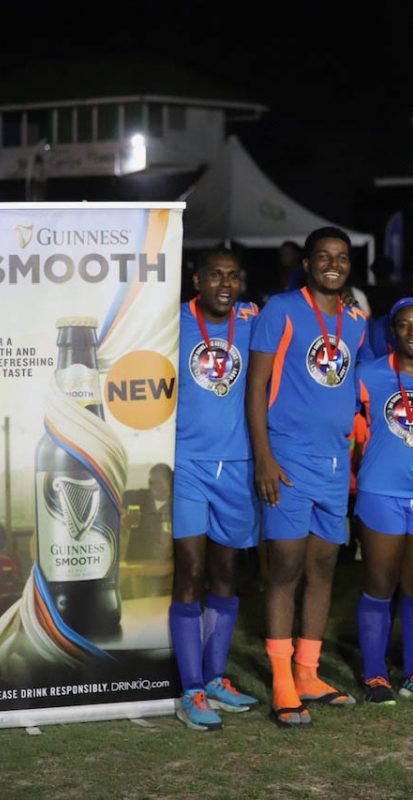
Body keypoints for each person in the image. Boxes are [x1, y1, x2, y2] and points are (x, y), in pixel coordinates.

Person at [247, 226, 370, 727]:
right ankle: (280, 682)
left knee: (323, 570)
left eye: (341, 257)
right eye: (324, 256)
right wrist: (264, 457)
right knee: (285, 569)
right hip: (289, 459)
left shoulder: (357, 321)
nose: (333, 264)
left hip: (334, 463)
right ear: (308, 262)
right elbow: (255, 386)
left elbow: (349, 386)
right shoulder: (281, 308)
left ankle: (307, 672)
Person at [168, 249, 261, 732]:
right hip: (188, 463)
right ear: (197, 279)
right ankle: (190, 689)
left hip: (239, 464)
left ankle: (216, 677)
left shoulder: (252, 321)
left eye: (233, 275)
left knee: (226, 573)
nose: (226, 283)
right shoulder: (172, 321)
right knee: (191, 569)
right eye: (216, 275)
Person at [353, 297, 413, 705]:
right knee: (380, 585)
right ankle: (375, 674)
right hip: (380, 491)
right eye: (404, 325)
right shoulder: (369, 375)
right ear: (393, 331)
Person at [123, 464, 174, 563]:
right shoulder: (140, 497)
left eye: (159, 483)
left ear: (170, 482)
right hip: (136, 565)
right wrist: (123, 513)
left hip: (166, 568)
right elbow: (120, 498)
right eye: (151, 482)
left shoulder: (178, 505)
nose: (154, 487)